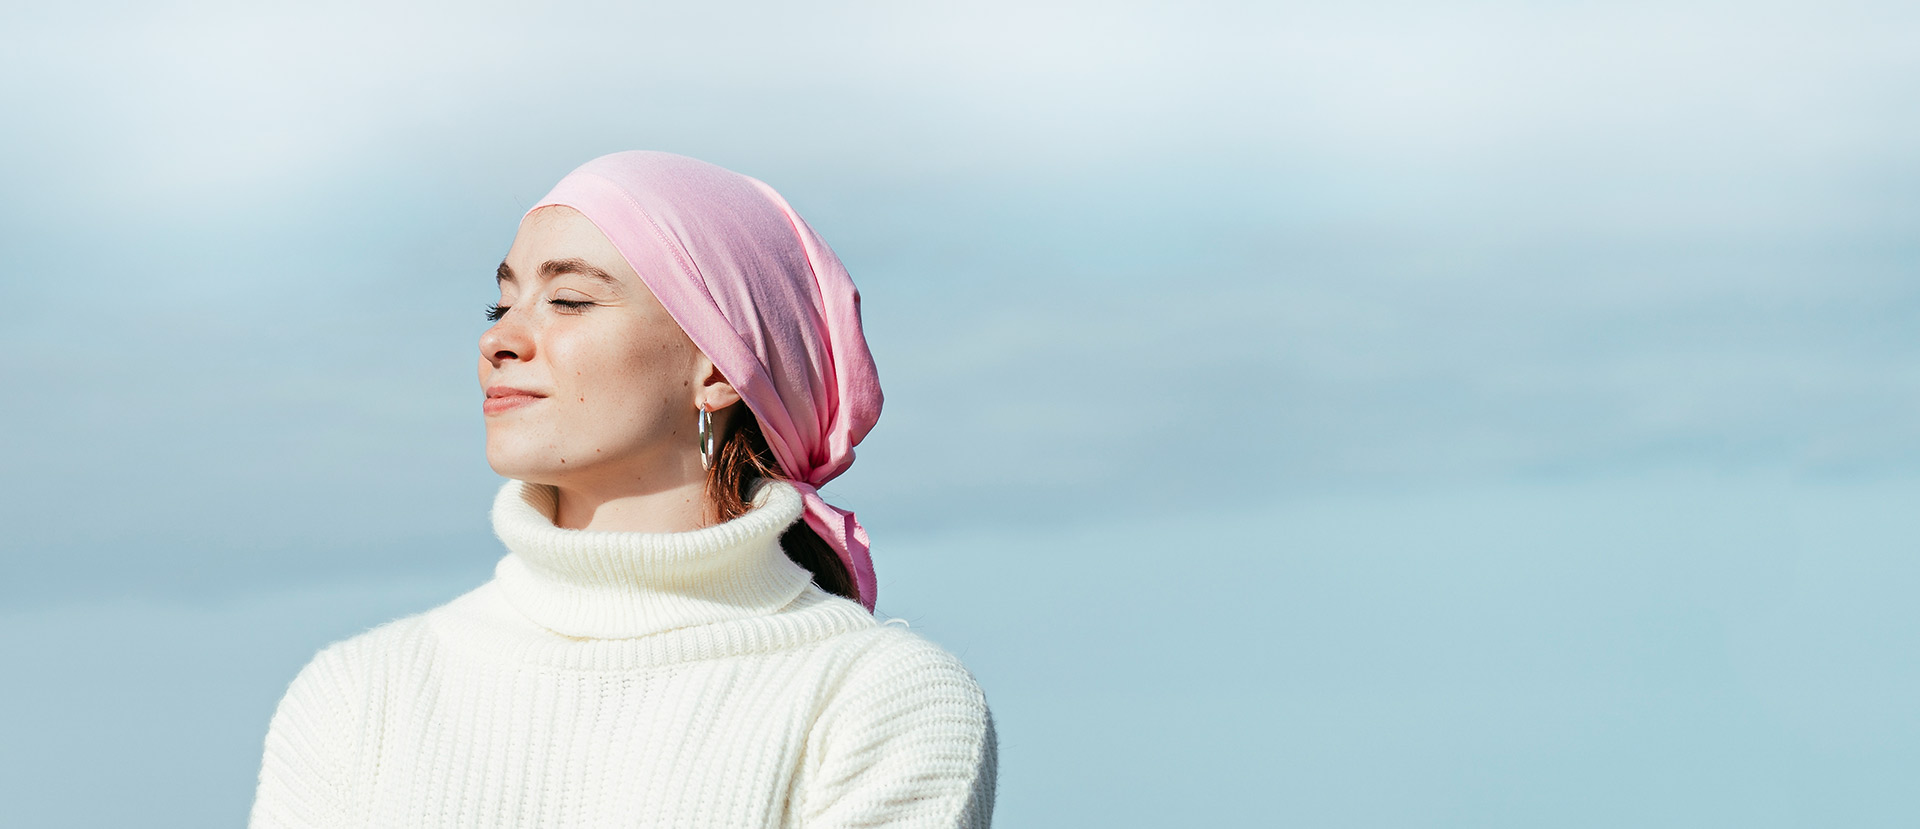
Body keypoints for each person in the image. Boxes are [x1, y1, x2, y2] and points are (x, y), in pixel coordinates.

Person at [248, 151, 998, 827]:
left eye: (569, 300)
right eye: (501, 304)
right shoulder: (360, 694)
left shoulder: (876, 698)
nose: (498, 338)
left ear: (718, 368)